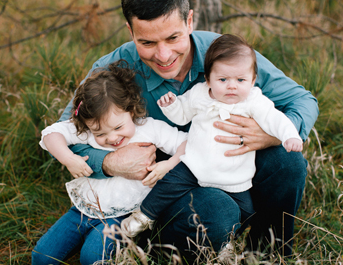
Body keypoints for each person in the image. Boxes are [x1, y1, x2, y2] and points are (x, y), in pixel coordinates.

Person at [58, 0, 318, 258]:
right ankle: (149, 248)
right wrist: (108, 162)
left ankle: (268, 257)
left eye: (173, 38)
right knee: (217, 212)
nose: (164, 55)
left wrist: (269, 135)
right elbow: (65, 132)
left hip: (229, 165)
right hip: (160, 185)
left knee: (288, 162)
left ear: (190, 21)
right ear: (130, 32)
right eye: (147, 43)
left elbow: (302, 101)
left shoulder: (225, 55)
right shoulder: (113, 68)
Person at [10, 62, 188, 265]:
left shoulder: (149, 128)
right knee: (43, 254)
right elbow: (51, 134)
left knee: (93, 258)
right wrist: (68, 158)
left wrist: (168, 164)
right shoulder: (85, 130)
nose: (112, 138)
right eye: (100, 133)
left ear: (131, 111)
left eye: (118, 127)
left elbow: (186, 143)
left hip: (120, 215)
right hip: (82, 209)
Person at [120, 34, 304, 250]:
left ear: (253, 80)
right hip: (194, 165)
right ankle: (143, 218)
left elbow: (276, 119)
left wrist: (289, 136)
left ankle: (233, 244)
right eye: (223, 80)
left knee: (246, 211)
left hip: (234, 176)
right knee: (167, 186)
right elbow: (182, 115)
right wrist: (171, 106)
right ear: (208, 79)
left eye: (240, 80)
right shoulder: (199, 94)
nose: (231, 87)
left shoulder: (254, 101)